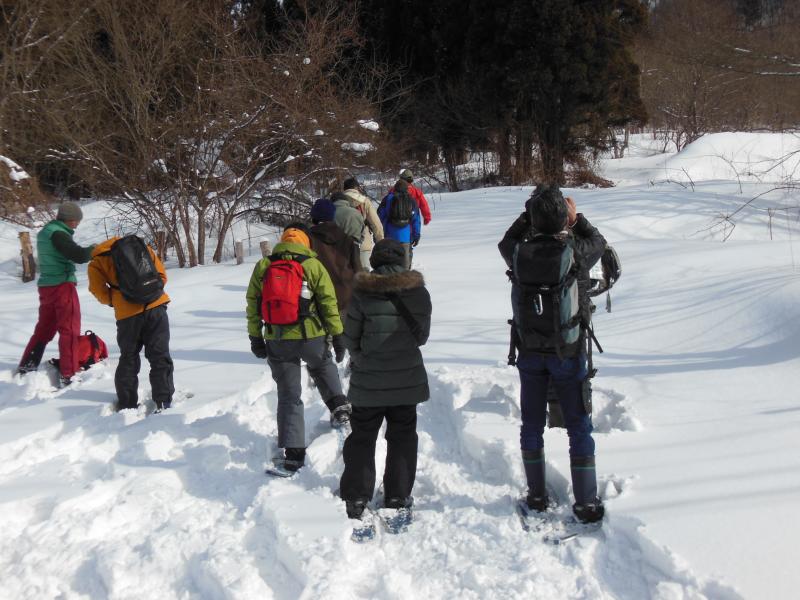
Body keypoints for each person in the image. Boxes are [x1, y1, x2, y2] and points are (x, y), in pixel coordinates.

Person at [498, 185, 607, 524]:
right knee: (578, 426)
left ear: (532, 219)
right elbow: (600, 244)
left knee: (531, 423)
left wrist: (526, 214)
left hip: (530, 350)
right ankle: (586, 502)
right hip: (568, 351)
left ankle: (537, 495)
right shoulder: (573, 251)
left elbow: (505, 241)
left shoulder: (518, 252)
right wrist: (578, 219)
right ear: (563, 218)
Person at [339, 238, 432, 520]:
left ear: (375, 261)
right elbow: (422, 337)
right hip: (407, 379)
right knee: (403, 435)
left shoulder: (360, 293)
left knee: (363, 436)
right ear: (403, 260)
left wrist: (362, 358)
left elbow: (349, 338)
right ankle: (397, 494)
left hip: (368, 381)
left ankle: (357, 495)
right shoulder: (418, 293)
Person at [246, 227, 350, 472]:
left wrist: (255, 336)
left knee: (289, 394)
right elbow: (328, 302)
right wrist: (337, 334)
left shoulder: (264, 266)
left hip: (277, 338)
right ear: (306, 243)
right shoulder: (313, 265)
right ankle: (340, 408)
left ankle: (293, 454)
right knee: (322, 365)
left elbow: (253, 304)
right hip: (311, 335)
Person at [88, 236, 174, 411]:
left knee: (129, 358)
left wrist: (116, 301)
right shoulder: (141, 247)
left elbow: (98, 291)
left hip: (127, 316)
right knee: (160, 356)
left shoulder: (97, 261)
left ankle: (127, 404)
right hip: (156, 306)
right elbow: (162, 276)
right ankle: (163, 401)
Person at [17, 202, 95, 386]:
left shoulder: (47, 231)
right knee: (69, 330)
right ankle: (68, 374)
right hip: (62, 286)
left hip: (47, 287)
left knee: (44, 329)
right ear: (70, 219)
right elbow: (80, 256)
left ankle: (28, 365)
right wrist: (95, 248)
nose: (77, 224)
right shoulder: (59, 234)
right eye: (76, 221)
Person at [308, 198, 362, 320]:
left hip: (318, 299)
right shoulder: (347, 239)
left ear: (313, 217)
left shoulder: (308, 240)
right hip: (345, 295)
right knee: (343, 336)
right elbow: (358, 270)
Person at [377, 179, 421, 270]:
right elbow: (416, 219)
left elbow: (379, 216)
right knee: (405, 265)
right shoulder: (411, 200)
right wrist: (416, 235)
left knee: (390, 265)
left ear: (395, 189)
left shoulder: (388, 199)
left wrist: (379, 233)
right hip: (405, 237)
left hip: (390, 237)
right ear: (406, 189)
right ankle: (404, 281)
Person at [342, 177, 384, 270]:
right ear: (357, 188)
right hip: (363, 243)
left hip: (342, 245)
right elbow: (376, 223)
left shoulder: (339, 201)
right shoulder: (364, 201)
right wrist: (380, 241)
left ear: (344, 188)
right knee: (364, 276)